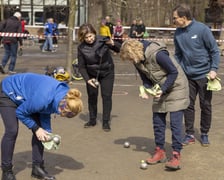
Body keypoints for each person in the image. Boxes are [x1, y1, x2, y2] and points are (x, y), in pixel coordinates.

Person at [120, 39, 189, 170]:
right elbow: (145, 79)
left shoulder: (158, 54)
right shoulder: (137, 61)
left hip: (176, 87)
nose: (131, 61)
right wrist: (146, 89)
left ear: (135, 52)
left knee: (175, 123)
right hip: (160, 88)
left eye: (130, 58)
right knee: (157, 120)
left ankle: (176, 155)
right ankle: (160, 152)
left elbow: (173, 72)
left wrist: (162, 90)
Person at [0, 73, 83, 180]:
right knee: (12, 130)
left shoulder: (60, 98)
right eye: (63, 109)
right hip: (9, 91)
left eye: (68, 115)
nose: (62, 113)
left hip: (28, 97)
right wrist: (36, 128)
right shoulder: (44, 98)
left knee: (42, 131)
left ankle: (37, 168)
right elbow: (20, 112)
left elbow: (45, 111)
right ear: (64, 101)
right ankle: (6, 172)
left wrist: (47, 132)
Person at [172, 4, 220, 146]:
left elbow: (215, 51)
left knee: (205, 105)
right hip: (188, 76)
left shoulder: (202, 29)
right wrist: (176, 69)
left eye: (175, 18)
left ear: (184, 17)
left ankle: (204, 133)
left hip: (205, 76)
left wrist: (213, 69)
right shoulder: (178, 33)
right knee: (188, 105)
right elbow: (178, 55)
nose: (173, 21)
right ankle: (190, 134)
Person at [77, 23, 120, 131]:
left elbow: (119, 49)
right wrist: (88, 79)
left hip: (107, 72)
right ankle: (92, 120)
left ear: (94, 33)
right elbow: (81, 67)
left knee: (106, 96)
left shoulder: (103, 40)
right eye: (86, 37)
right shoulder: (81, 48)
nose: (89, 39)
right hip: (92, 74)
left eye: (91, 36)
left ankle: (106, 122)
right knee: (92, 97)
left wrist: (113, 43)